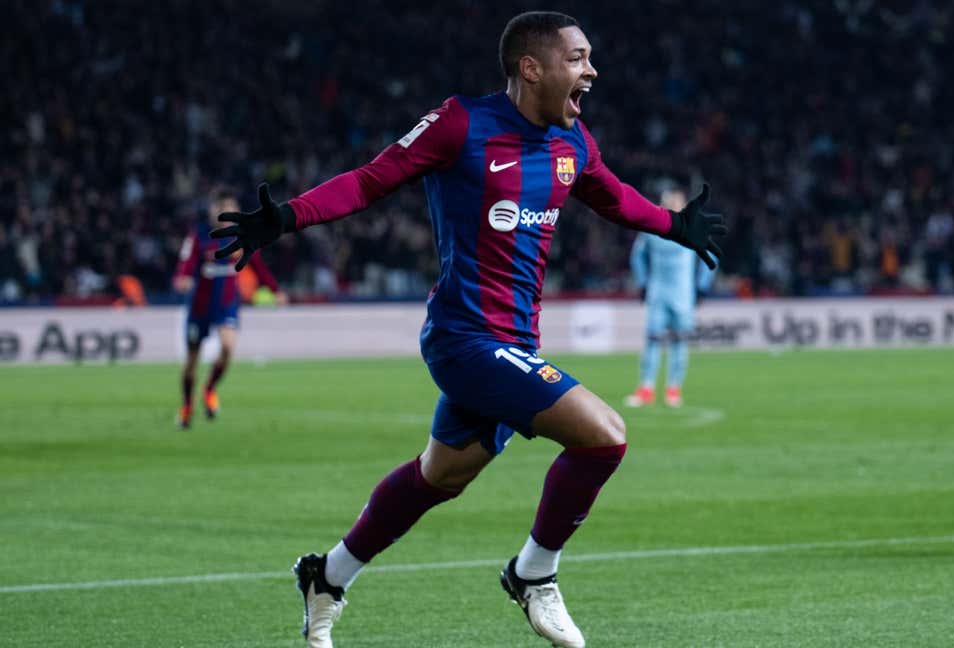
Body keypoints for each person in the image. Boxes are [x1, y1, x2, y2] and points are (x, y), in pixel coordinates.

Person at [208, 12, 725, 648]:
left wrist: (676, 227)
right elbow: (371, 181)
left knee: (440, 476)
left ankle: (328, 576)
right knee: (605, 437)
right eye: (579, 57)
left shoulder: (574, 143)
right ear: (531, 68)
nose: (591, 70)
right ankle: (534, 574)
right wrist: (288, 216)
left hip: (517, 343)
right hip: (465, 339)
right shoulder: (462, 123)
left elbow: (615, 197)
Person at [173, 186, 285, 429]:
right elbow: (186, 262)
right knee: (191, 361)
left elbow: (258, 265)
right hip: (200, 306)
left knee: (227, 347)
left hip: (226, 304)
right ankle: (187, 404)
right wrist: (181, 278)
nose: (226, 213)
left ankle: (210, 389)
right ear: (213, 210)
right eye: (222, 208)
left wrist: (275, 290)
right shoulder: (199, 235)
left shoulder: (242, 235)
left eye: (231, 209)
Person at [624, 179, 716, 408]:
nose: (671, 202)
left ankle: (674, 389)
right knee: (653, 341)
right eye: (667, 199)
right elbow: (637, 256)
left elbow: (711, 256)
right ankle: (647, 389)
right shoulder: (652, 227)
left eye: (675, 199)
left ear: (683, 202)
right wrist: (642, 283)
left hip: (683, 296)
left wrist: (702, 285)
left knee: (679, 343)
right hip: (658, 295)